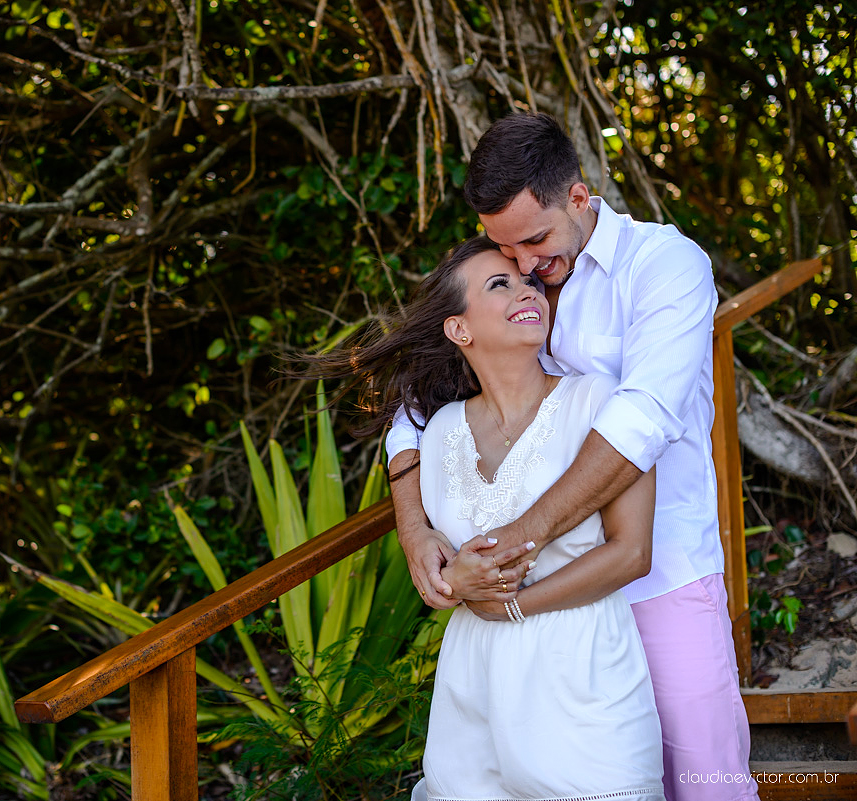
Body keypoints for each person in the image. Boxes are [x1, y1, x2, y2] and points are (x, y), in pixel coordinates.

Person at [387, 113, 759, 801]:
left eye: (534, 240)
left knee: (704, 783)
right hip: (555, 621)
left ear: (580, 199)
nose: (525, 266)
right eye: (507, 251)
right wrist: (417, 532)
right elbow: (414, 415)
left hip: (660, 574)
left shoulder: (663, 266)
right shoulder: (518, 289)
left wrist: (509, 549)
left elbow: (640, 422)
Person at [311, 236, 664, 799]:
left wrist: (514, 605)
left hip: (582, 674)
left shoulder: (598, 402)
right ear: (459, 330)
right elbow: (442, 570)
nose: (528, 290)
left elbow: (631, 553)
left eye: (530, 282)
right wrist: (452, 581)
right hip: (472, 686)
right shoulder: (441, 429)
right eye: (500, 284)